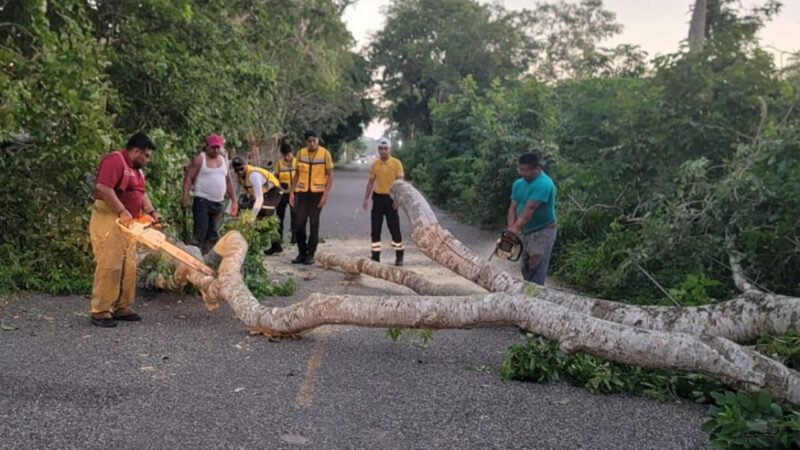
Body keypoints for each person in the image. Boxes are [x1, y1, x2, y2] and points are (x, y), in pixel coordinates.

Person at [89, 132, 159, 328]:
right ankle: (101, 311)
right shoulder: (115, 161)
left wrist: (152, 212)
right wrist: (122, 210)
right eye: (146, 155)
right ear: (136, 151)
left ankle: (122, 307)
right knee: (110, 264)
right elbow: (103, 188)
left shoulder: (137, 170)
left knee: (129, 266)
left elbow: (141, 193)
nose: (147, 160)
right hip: (109, 217)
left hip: (130, 222)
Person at [181, 134, 237, 254]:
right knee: (200, 233)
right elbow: (188, 178)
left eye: (218, 147)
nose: (216, 150)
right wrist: (185, 198)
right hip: (202, 201)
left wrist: (234, 200)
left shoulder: (223, 161)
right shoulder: (200, 159)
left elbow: (228, 181)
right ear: (206, 147)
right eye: (213, 147)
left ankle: (207, 258)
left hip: (218, 202)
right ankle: (195, 257)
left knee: (213, 234)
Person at [507, 152, 558, 285]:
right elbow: (513, 206)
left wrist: (516, 228)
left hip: (543, 230)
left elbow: (530, 209)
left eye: (526, 171)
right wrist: (510, 227)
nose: (523, 173)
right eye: (520, 169)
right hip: (527, 231)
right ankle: (529, 292)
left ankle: (535, 295)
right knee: (526, 267)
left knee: (537, 264)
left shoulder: (544, 184)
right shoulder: (518, 184)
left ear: (536, 169)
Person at [289, 130, 333, 265]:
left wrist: (325, 195)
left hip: (317, 194)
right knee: (299, 224)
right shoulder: (301, 153)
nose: (312, 143)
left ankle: (310, 254)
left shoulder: (325, 154)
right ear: (306, 142)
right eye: (309, 141)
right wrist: (291, 192)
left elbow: (330, 176)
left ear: (318, 141)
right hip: (302, 193)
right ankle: (301, 253)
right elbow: (296, 174)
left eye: (314, 141)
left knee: (314, 223)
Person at [363, 138, 405, 266]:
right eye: (380, 149)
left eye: (385, 149)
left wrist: (399, 198)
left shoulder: (396, 163)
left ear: (390, 150)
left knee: (394, 228)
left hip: (391, 199)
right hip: (378, 199)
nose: (383, 151)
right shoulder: (375, 164)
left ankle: (399, 255)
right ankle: (375, 256)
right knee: (375, 228)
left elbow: (400, 183)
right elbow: (371, 182)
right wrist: (366, 198)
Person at [231, 156, 284, 252]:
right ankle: (274, 244)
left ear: (245, 166)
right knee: (245, 207)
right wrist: (230, 210)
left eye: (241, 169)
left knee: (263, 212)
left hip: (274, 192)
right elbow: (235, 195)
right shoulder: (239, 177)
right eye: (237, 170)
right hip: (263, 193)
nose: (239, 172)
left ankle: (265, 243)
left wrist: (252, 217)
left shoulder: (253, 175)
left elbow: (259, 199)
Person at [273, 142, 297, 248]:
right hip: (282, 193)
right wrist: (280, 183)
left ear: (292, 153)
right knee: (280, 216)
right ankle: (279, 238)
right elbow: (275, 178)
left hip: (295, 193)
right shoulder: (279, 163)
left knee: (295, 215)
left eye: (289, 154)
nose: (287, 157)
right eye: (285, 155)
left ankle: (295, 237)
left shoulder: (297, 162)